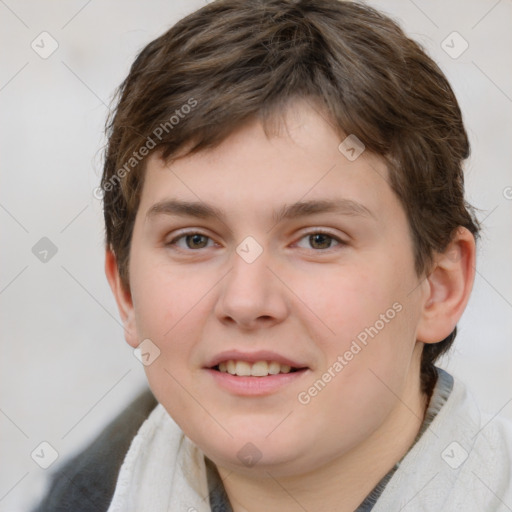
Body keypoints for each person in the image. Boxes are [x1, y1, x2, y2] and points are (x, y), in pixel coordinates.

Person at [33, 0, 512, 511]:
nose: (245, 300)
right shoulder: (83, 497)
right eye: (194, 240)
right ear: (126, 291)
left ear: (440, 287)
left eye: (319, 240)